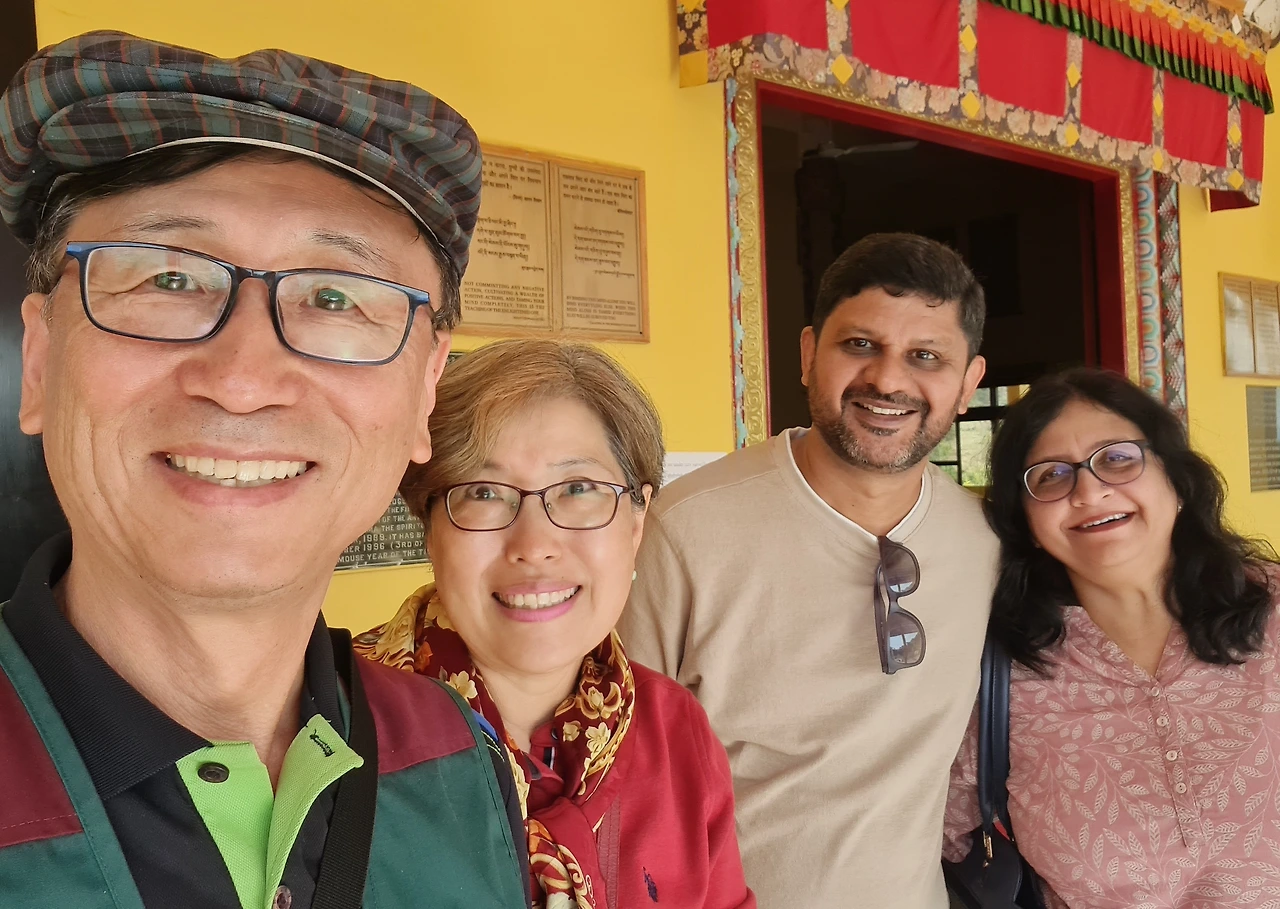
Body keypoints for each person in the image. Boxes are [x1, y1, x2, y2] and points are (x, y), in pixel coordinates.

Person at [0, 32, 529, 908]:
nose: (243, 380)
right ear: (41, 362)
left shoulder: (457, 765)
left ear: (424, 393)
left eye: (335, 297)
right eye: (168, 280)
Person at [618, 232, 997, 907]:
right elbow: (619, 765)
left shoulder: (984, 541)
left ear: (969, 383)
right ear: (807, 354)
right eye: (860, 344)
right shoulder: (688, 529)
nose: (888, 380)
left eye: (926, 356)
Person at [355, 339, 756, 909]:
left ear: (636, 523)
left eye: (578, 490)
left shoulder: (675, 732)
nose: (534, 544)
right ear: (430, 527)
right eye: (483, 493)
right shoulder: (330, 729)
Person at [944, 367, 1280, 908]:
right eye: (1050, 476)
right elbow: (927, 834)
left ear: (1176, 481)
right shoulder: (996, 677)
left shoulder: (1273, 610)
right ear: (1027, 522)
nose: (1089, 491)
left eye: (1118, 459)